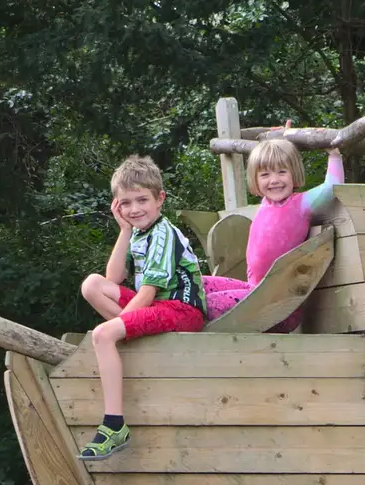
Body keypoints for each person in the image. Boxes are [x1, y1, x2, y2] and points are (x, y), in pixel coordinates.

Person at [77, 155, 206, 460]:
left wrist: (116, 328)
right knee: (91, 285)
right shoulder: (138, 230)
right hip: (156, 304)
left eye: (142, 200)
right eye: (125, 203)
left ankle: (114, 425)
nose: (134, 209)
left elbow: (147, 293)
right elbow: (113, 278)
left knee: (103, 335)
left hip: (181, 309)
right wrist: (123, 231)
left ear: (160, 199)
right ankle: (126, 334)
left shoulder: (162, 232)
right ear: (117, 205)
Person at [203, 137, 343, 330]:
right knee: (196, 286)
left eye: (282, 172)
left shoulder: (300, 204)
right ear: (255, 179)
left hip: (279, 306)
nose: (274, 180)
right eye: (265, 174)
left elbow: (331, 188)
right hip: (254, 293)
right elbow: (272, 156)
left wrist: (334, 154)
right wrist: (283, 136)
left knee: (207, 303)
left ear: (294, 173)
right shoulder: (266, 203)